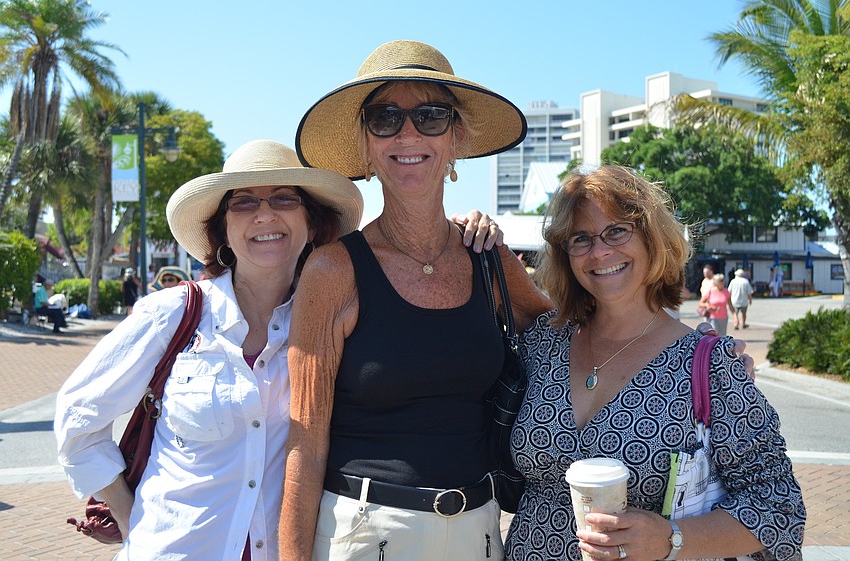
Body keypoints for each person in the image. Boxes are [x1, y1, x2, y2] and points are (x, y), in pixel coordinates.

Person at [278, 40, 554, 560]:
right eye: (385, 118)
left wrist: (683, 355)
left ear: (456, 139)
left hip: (480, 531)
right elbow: (305, 441)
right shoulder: (332, 270)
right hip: (365, 534)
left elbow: (571, 338)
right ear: (365, 143)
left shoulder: (489, 258)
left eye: (431, 116)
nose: (408, 133)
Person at [55, 140, 365, 560]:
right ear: (222, 231)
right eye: (243, 203)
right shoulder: (175, 313)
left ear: (312, 224)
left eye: (284, 199)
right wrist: (134, 524)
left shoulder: (333, 323)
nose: (264, 214)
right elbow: (77, 416)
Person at [504, 165, 805, 561]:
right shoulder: (543, 342)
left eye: (617, 231)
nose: (599, 251)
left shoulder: (711, 365)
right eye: (581, 238)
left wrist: (671, 539)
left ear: (652, 239)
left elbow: (780, 509)